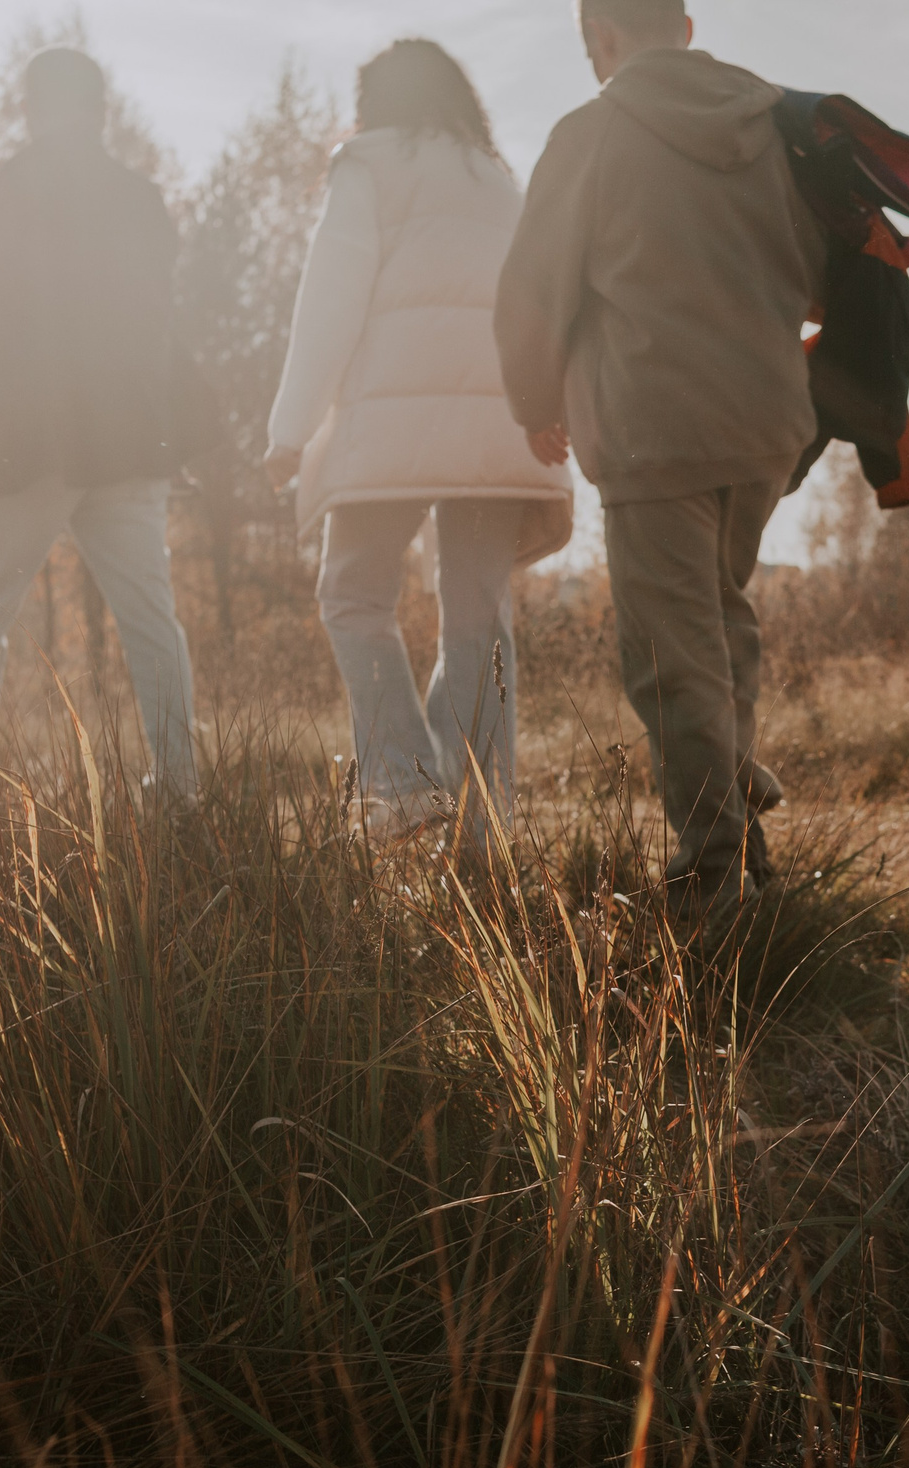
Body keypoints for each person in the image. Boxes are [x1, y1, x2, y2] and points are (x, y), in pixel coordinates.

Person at [496, 0, 825, 913]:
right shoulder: (773, 123)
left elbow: (533, 288)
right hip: (763, 421)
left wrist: (534, 401)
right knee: (720, 622)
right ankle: (743, 838)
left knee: (669, 652)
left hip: (651, 424)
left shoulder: (592, 133)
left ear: (600, 38)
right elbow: (815, 266)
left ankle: (710, 884)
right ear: (683, 27)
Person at [267, 41, 574, 844]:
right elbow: (543, 298)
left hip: (390, 426)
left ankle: (404, 782)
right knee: (478, 618)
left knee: (353, 596)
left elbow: (329, 299)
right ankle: (482, 830)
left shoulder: (365, 165)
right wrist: (551, 404)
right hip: (502, 419)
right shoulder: (495, 177)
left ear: (375, 105)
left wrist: (289, 430)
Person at [0, 47, 206, 804]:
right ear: (101, 111)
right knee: (152, 624)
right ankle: (180, 791)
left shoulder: (7, 193)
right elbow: (159, 331)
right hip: (128, 446)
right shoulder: (142, 201)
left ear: (31, 109)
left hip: (25, 448)